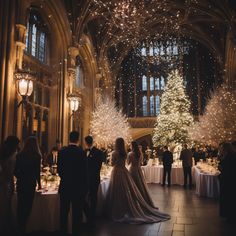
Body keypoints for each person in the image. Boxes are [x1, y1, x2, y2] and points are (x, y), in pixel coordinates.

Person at [106, 137, 170, 224]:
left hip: (117, 172)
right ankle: (128, 206)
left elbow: (113, 164)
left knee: (117, 189)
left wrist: (110, 161)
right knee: (127, 189)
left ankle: (117, 208)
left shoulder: (115, 153)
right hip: (126, 171)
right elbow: (126, 163)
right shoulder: (125, 153)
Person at [57, 131, 88, 235]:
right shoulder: (81, 152)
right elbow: (84, 171)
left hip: (65, 186)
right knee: (77, 214)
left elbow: (59, 170)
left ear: (69, 139)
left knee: (63, 213)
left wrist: (66, 178)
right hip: (78, 187)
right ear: (78, 139)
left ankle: (63, 232)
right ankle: (76, 232)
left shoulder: (62, 151)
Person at [14, 136, 42, 234]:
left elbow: (15, 170)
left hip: (21, 183)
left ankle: (20, 227)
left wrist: (20, 176)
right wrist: (39, 184)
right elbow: (37, 172)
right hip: (30, 184)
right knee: (27, 206)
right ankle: (23, 226)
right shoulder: (37, 156)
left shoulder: (20, 155)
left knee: (20, 205)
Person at [0, 136, 20, 234]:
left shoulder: (5, 153)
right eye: (17, 145)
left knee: (6, 206)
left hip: (5, 181)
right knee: (6, 207)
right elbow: (9, 172)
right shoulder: (12, 155)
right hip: (5, 182)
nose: (18, 147)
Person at [83, 135, 104, 227]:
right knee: (83, 198)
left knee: (93, 198)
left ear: (86, 142)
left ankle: (92, 217)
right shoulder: (84, 152)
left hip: (94, 179)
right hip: (85, 179)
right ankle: (89, 215)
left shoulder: (98, 152)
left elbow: (98, 167)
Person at [127, 141, 155, 207]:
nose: (130, 146)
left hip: (132, 170)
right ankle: (142, 199)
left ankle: (134, 199)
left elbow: (128, 163)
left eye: (130, 145)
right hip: (139, 170)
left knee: (133, 185)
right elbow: (141, 162)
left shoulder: (130, 154)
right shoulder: (140, 153)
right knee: (140, 185)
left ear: (132, 146)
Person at [218, 142, 236, 223]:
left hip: (228, 181)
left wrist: (220, 166)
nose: (221, 149)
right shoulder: (230, 156)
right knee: (228, 198)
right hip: (227, 180)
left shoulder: (229, 157)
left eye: (222, 148)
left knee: (228, 198)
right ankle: (229, 215)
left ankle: (230, 215)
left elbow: (225, 168)